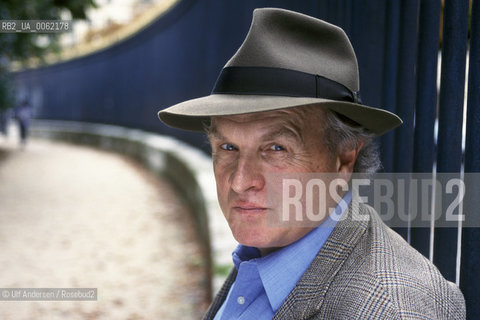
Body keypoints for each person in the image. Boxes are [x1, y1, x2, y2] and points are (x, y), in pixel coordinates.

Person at [157, 8, 466, 319]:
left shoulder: (391, 310)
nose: (239, 181)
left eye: (276, 148)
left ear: (345, 157)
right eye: (228, 147)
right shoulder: (269, 252)